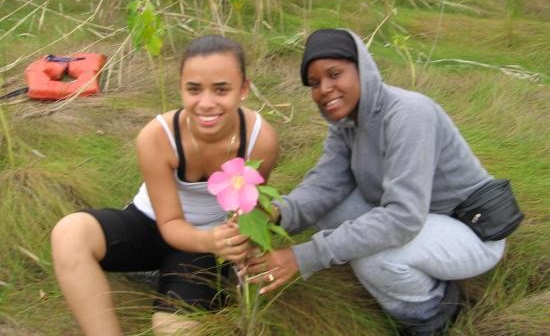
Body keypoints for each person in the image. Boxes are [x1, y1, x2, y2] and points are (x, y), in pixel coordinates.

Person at [246, 29, 506, 335]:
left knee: (376, 259)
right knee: (327, 210)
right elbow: (324, 185)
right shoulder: (346, 124)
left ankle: (433, 311)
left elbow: (402, 218)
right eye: (315, 83)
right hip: (421, 218)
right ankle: (408, 272)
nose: (325, 89)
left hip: (470, 231)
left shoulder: (409, 114)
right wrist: (273, 215)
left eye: (334, 74)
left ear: (362, 69)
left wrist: (303, 257)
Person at [51, 35, 279, 336]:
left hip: (205, 244)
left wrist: (239, 237)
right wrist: (209, 241)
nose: (206, 103)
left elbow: (251, 208)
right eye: (194, 90)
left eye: (221, 89)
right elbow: (169, 222)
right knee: (69, 233)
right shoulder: (156, 137)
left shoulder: (260, 140)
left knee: (174, 330)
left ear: (244, 89)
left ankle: (194, 283)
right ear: (181, 88)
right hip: (152, 224)